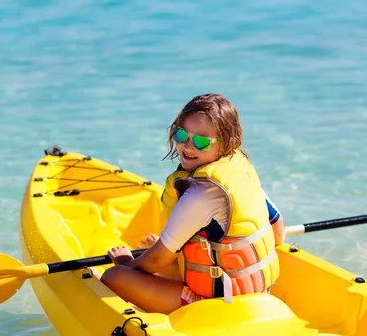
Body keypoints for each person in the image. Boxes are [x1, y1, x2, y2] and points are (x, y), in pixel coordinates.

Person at [101, 94, 284, 314]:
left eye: (201, 141)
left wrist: (127, 263)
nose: (187, 146)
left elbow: (158, 259)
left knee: (115, 276)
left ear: (225, 143)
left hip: (215, 305)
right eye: (181, 134)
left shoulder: (202, 193)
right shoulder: (237, 171)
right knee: (166, 252)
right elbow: (277, 224)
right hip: (259, 292)